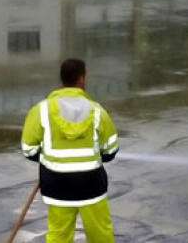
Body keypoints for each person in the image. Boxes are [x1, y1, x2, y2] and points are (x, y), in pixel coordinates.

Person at [21, 58, 119, 243]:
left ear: (62, 79)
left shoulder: (41, 110)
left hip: (57, 185)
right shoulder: (97, 111)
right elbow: (110, 150)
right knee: (101, 236)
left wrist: (48, 158)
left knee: (58, 236)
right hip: (91, 186)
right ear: (81, 79)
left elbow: (28, 149)